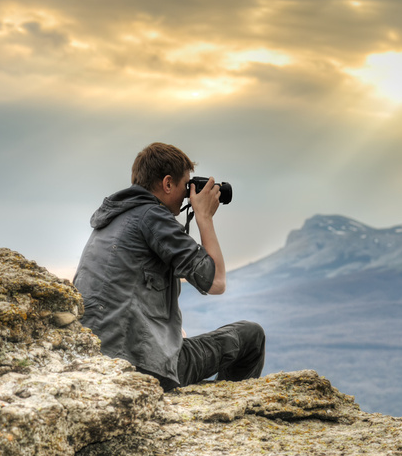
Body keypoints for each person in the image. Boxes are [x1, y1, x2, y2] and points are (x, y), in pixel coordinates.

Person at [74, 142, 265, 391]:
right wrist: (204, 217)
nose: (189, 193)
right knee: (251, 336)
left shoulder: (112, 219)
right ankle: (227, 409)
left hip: (98, 359)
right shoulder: (152, 217)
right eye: (186, 185)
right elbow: (217, 281)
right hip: (140, 366)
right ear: (167, 184)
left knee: (186, 347)